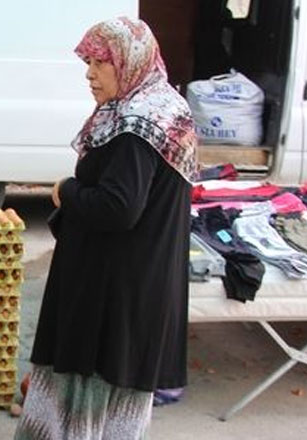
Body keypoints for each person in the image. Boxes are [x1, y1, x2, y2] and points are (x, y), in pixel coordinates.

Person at [16, 17, 197, 440]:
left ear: (130, 62)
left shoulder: (137, 124)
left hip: (112, 297)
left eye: (101, 62)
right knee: (111, 414)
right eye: (88, 62)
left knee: (85, 413)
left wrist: (67, 191)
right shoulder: (164, 107)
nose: (89, 73)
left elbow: (119, 208)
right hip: (134, 289)